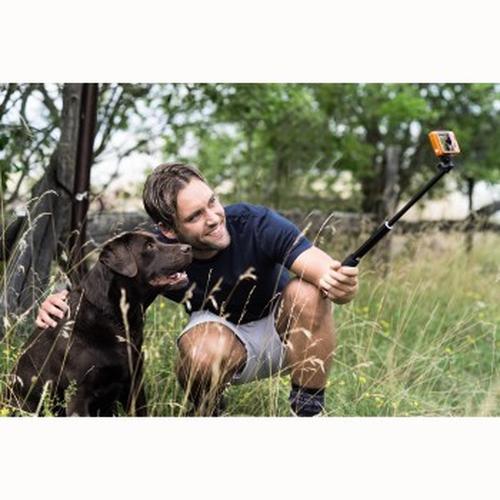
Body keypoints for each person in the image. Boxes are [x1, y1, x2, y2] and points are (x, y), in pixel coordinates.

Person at [36, 162, 359, 416]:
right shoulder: (153, 256)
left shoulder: (255, 223)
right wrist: (59, 303)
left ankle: (307, 414)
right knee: (202, 354)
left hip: (286, 334)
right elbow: (101, 292)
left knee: (308, 292)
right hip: (222, 338)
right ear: (168, 229)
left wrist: (337, 282)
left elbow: (320, 267)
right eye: (195, 216)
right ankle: (208, 411)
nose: (214, 218)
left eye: (213, 202)